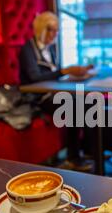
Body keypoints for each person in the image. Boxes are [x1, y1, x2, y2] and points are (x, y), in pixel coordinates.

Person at [19, 11, 92, 169]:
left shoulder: (50, 49)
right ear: (40, 29)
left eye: (56, 31)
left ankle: (88, 150)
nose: (54, 34)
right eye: (51, 30)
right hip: (37, 98)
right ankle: (73, 157)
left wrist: (73, 74)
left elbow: (53, 76)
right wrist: (64, 72)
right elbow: (34, 78)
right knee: (74, 105)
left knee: (88, 101)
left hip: (52, 93)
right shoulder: (28, 49)